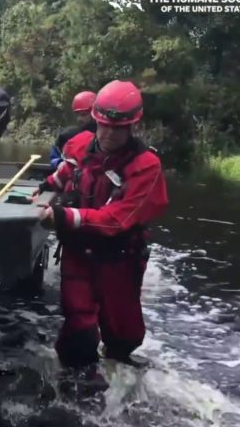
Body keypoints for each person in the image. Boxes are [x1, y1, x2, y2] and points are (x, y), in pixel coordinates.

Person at [33, 80, 168, 368]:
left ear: (132, 126)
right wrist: (46, 186)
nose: (108, 133)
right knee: (79, 329)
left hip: (119, 257)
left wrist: (63, 216)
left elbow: (118, 218)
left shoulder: (146, 167)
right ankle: (77, 389)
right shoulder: (81, 143)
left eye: (117, 128)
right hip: (78, 252)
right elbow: (68, 168)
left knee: (124, 336)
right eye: (102, 125)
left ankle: (118, 363)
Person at [49, 91, 97, 170]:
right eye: (77, 115)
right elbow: (54, 157)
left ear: (94, 113)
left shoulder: (105, 135)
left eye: (83, 114)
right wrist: (59, 163)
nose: (79, 119)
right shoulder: (66, 136)